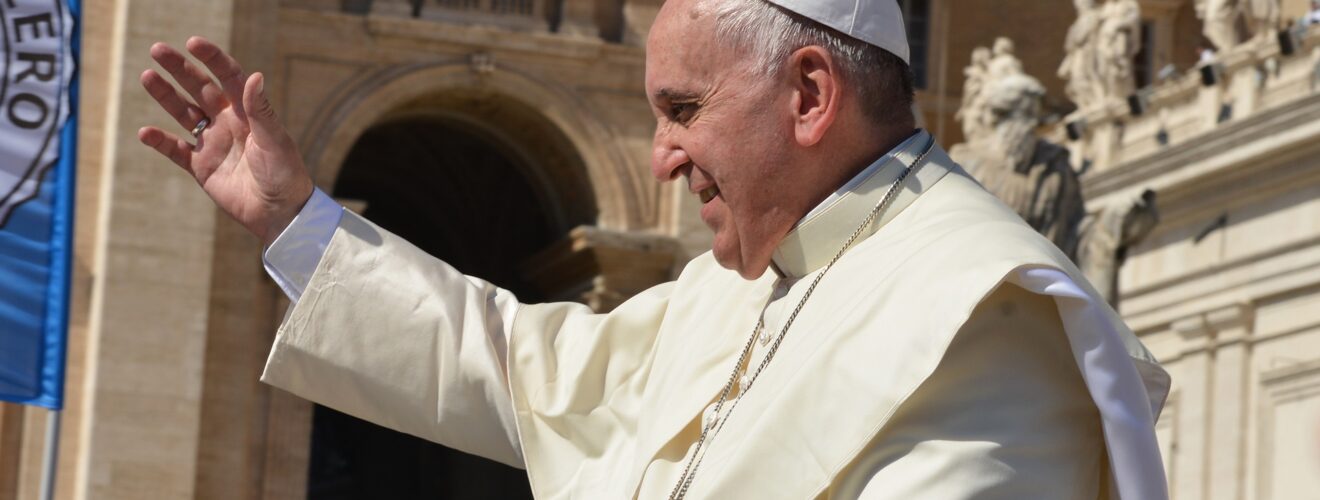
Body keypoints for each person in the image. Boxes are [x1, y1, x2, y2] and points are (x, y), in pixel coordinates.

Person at [138, 0, 1171, 497]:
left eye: (683, 108)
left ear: (810, 95)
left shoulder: (988, 315)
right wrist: (294, 220)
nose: (662, 158)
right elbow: (513, 366)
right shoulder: (734, 291)